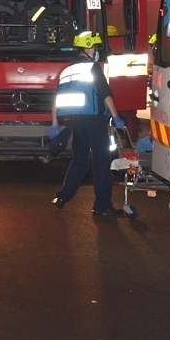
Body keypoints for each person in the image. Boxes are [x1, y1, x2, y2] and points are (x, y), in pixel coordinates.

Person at [51, 32, 126, 217]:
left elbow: (55, 100)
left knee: (80, 161)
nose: (96, 51)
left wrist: (54, 125)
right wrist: (116, 118)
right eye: (95, 47)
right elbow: (105, 94)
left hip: (76, 121)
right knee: (101, 160)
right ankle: (102, 205)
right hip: (94, 119)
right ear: (89, 48)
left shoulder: (66, 71)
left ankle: (62, 196)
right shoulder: (93, 67)